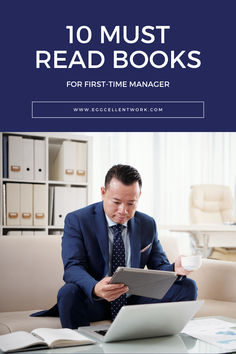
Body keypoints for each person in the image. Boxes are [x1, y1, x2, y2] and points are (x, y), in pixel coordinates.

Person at [54, 164, 197, 328]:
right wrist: (95, 287)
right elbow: (73, 267)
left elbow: (158, 266)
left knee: (187, 286)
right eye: (116, 202)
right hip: (96, 300)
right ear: (103, 192)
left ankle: (165, 342)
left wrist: (174, 269)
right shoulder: (78, 220)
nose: (123, 210)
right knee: (68, 292)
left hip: (134, 300)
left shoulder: (147, 224)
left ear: (139, 196)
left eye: (131, 203)